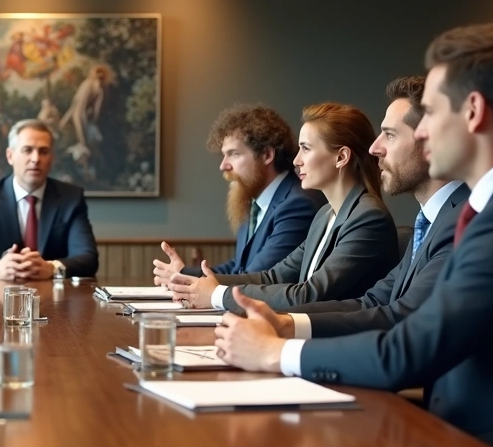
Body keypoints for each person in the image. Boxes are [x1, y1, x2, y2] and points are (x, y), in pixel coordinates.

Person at [214, 24, 493, 447]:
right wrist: (287, 325)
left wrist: (276, 353)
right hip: (456, 445)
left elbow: (409, 350)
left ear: (474, 111)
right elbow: (385, 309)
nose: (419, 133)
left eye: (431, 114)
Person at [254, 77, 467, 338]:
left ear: (429, 141)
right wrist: (284, 322)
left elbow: (400, 317)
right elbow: (371, 303)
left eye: (389, 134)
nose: (375, 148)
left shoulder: (463, 221)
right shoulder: (430, 220)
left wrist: (280, 348)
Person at [167, 103, 399, 312]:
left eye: (306, 149)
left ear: (341, 157)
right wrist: (195, 281)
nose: (297, 160)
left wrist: (218, 295)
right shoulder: (325, 215)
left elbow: (310, 294)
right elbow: (273, 276)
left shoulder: (368, 217)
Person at [153, 104, 324, 284]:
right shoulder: (253, 202)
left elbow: (258, 277)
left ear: (267, 155)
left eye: (233, 154)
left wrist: (184, 275)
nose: (223, 165)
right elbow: (239, 267)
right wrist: (183, 273)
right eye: (223, 155)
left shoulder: (297, 204)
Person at [0, 119, 99, 280]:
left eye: (43, 151)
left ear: (52, 158)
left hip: (54, 297)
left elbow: (88, 258)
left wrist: (52, 268)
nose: (35, 159)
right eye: (27, 150)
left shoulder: (71, 198)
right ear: (10, 156)